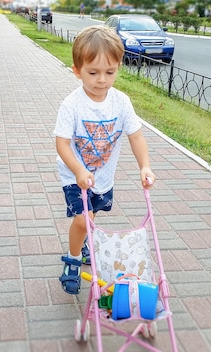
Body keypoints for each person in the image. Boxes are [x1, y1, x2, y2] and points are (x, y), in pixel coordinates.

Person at [53, 25, 155, 295]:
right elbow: (61, 143)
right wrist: (77, 169)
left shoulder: (121, 102)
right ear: (77, 71)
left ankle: (83, 241)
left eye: (110, 72)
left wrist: (144, 165)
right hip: (75, 176)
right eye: (93, 72)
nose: (102, 80)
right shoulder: (72, 105)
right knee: (83, 219)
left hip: (103, 177)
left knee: (91, 217)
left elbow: (136, 136)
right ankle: (73, 260)